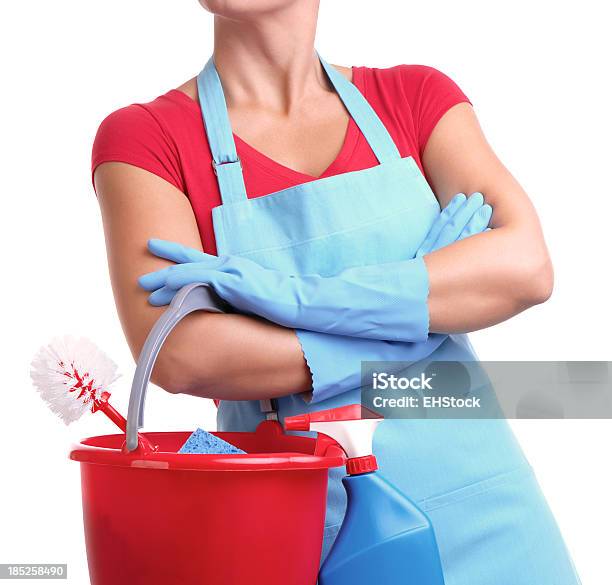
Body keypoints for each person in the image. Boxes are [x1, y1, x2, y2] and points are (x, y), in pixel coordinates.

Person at [92, 1, 580, 583]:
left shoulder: (415, 98)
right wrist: (413, 327)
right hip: (301, 534)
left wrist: (291, 298)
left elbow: (526, 269)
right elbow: (183, 354)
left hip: (489, 511)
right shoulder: (148, 139)